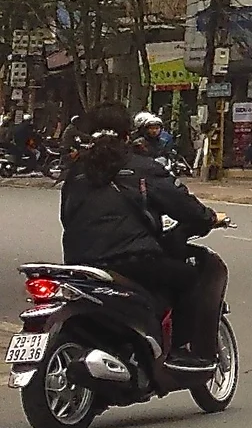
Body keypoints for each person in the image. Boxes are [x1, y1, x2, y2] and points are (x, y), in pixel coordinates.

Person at [59, 103, 228, 376]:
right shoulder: (143, 168)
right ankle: (180, 352)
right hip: (132, 261)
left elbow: (67, 217)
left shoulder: (75, 173)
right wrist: (209, 217)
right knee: (191, 277)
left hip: (80, 264)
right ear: (128, 134)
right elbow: (185, 206)